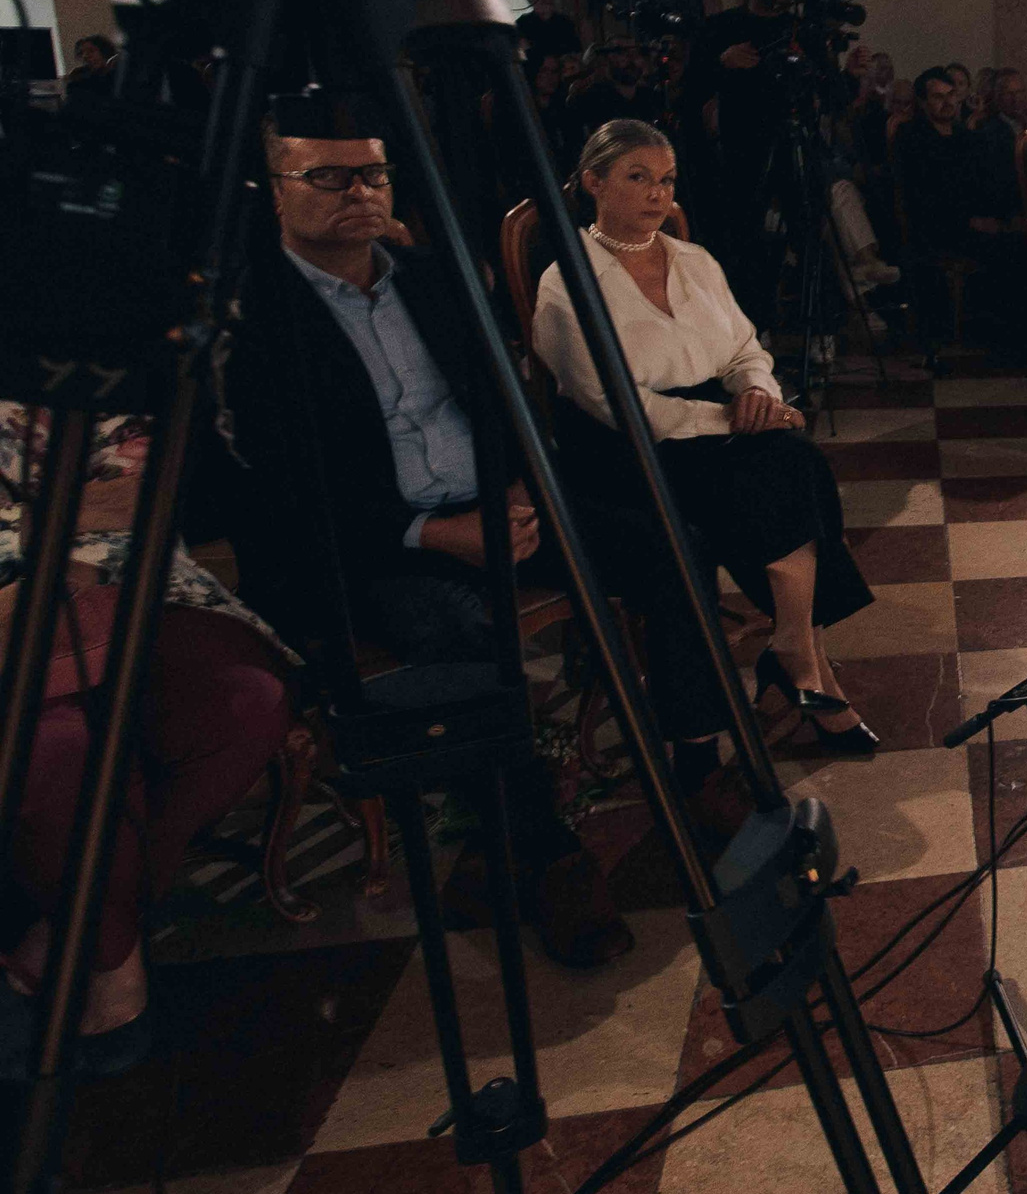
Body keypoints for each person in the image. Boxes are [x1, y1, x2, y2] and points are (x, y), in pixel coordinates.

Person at [206, 111, 640, 967]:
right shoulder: (251, 314)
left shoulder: (428, 275)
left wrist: (523, 489)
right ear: (276, 193)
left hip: (485, 501)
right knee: (463, 638)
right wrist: (432, 532)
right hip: (361, 546)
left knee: (658, 544)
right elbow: (274, 493)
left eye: (371, 174)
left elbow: (505, 397)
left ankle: (696, 773)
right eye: (327, 178)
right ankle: (546, 852)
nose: (358, 192)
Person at [534, 120, 881, 758]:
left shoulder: (694, 261)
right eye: (637, 177)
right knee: (771, 471)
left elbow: (744, 349)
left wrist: (757, 394)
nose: (656, 195)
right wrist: (729, 420)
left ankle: (796, 650)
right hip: (620, 449)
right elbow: (614, 405)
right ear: (592, 182)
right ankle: (805, 667)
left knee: (792, 459)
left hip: (712, 427)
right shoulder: (567, 281)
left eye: (666, 180)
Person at [1, 411, 290, 1074]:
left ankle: (85, 923)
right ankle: (113, 969)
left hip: (117, 584)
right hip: (14, 629)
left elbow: (131, 454)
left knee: (248, 700)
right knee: (61, 748)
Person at [686, 0, 807, 326]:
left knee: (807, 229)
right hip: (740, 146)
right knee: (742, 239)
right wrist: (724, 61)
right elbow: (693, 86)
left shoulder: (796, 28)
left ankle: (817, 329)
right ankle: (747, 325)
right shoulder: (721, 26)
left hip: (791, 140)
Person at [892, 66, 1027, 350]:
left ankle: (1012, 331)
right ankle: (997, 334)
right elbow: (922, 195)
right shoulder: (911, 135)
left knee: (1021, 239)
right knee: (1006, 248)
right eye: (938, 97)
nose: (948, 102)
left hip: (970, 218)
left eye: (951, 95)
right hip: (936, 225)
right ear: (923, 101)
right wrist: (971, 221)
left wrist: (1008, 215)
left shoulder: (964, 135)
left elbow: (985, 183)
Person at [568, 36, 666, 137]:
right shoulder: (590, 100)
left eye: (635, 53)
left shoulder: (651, 98)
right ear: (607, 59)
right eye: (621, 53)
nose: (631, 59)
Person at [515, 0, 583, 68]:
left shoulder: (564, 23)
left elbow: (576, 50)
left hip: (561, 70)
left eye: (546, 0)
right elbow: (519, 49)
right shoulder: (523, 22)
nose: (542, 3)